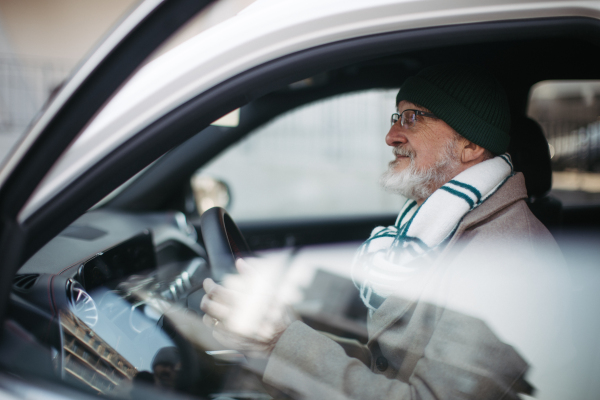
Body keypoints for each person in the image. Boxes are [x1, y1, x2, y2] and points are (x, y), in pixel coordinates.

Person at [200, 64, 566, 399]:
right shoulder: (438, 225)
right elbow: (390, 368)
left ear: (470, 144)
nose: (391, 135)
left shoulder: (504, 255)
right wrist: (282, 334)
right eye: (396, 117)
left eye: (412, 118)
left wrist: (280, 341)